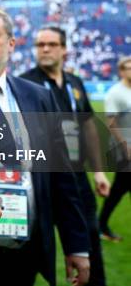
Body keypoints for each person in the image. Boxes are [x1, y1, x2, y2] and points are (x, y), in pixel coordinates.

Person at [0, 4, 91, 286]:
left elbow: (62, 178)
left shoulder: (38, 98)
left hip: (26, 253)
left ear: (11, 44)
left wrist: (76, 245)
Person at [21, 25, 109, 286]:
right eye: (40, 45)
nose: (45, 49)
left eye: (51, 44)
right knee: (35, 246)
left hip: (77, 178)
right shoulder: (25, 85)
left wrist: (98, 171)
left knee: (89, 240)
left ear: (65, 50)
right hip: (42, 180)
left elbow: (89, 127)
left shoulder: (75, 83)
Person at [99, 56, 131, 241]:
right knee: (119, 189)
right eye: (128, 68)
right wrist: (125, 146)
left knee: (120, 189)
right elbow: (111, 123)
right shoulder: (115, 93)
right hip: (124, 151)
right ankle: (101, 224)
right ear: (121, 71)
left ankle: (101, 224)